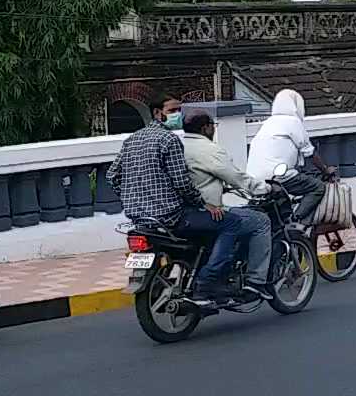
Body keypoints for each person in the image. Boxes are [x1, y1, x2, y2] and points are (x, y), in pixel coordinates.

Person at [110, 102, 259, 307]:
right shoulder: (168, 140)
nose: (178, 115)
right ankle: (208, 280)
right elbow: (181, 182)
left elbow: (112, 176)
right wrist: (203, 204)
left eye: (179, 110)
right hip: (172, 216)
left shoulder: (132, 140)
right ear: (156, 113)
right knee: (231, 223)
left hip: (140, 219)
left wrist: (131, 197)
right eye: (172, 110)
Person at [179, 111, 275, 297]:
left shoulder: (180, 146)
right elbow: (235, 176)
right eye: (213, 125)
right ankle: (254, 281)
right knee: (260, 220)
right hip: (205, 211)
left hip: (183, 211)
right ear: (205, 127)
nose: (214, 129)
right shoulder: (208, 149)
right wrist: (264, 189)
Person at [245, 89, 337, 222]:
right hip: (278, 177)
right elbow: (310, 153)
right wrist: (325, 170)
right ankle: (295, 221)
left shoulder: (268, 123)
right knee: (317, 187)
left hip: (254, 177)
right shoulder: (292, 122)